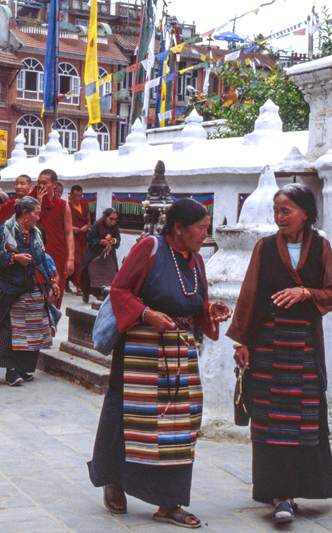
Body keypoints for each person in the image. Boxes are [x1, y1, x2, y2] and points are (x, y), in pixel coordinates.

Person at [87, 199, 232, 529]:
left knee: (179, 425)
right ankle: (114, 479)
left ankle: (169, 502)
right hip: (141, 351)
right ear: (178, 228)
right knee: (126, 416)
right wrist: (146, 314)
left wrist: (210, 311)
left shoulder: (195, 259)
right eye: (201, 228)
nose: (205, 235)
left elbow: (195, 302)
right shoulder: (150, 247)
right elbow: (120, 290)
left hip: (180, 355)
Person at [226, 184, 332, 524]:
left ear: (305, 213)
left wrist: (305, 292)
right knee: (270, 419)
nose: (280, 217)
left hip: (304, 345)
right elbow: (249, 294)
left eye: (286, 211)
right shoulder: (264, 248)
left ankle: (300, 487)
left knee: (304, 419)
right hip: (268, 344)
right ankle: (280, 495)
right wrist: (242, 341)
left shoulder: (321, 247)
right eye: (277, 211)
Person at [0, 196, 57, 386]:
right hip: (10, 290)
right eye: (36, 213)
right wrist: (13, 259)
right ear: (24, 214)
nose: (38, 218)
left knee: (31, 330)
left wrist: (51, 282)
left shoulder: (35, 233)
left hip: (32, 290)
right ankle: (11, 370)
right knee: (12, 331)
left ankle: (23, 368)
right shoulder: (5, 231)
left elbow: (41, 259)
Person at [33, 169, 74, 308]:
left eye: (44, 183)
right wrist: (37, 204)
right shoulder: (32, 204)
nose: (40, 186)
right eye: (39, 183)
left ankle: (52, 329)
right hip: (38, 254)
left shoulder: (63, 205)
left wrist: (71, 259)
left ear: (54, 184)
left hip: (57, 255)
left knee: (56, 294)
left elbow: (69, 233)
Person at [80, 208, 120, 303]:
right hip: (95, 253)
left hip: (108, 253)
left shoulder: (115, 227)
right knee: (93, 272)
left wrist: (112, 241)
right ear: (105, 217)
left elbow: (118, 239)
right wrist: (100, 242)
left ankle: (105, 293)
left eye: (115, 219)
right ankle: (89, 292)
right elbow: (89, 238)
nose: (113, 221)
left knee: (111, 272)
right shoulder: (97, 224)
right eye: (111, 219)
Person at [67, 185, 91, 295]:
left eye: (80, 195)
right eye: (76, 196)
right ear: (71, 195)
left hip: (83, 237)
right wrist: (72, 228)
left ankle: (72, 283)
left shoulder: (85, 205)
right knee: (76, 261)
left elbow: (89, 221)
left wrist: (87, 226)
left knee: (83, 261)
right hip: (73, 237)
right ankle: (79, 286)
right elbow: (64, 223)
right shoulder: (68, 206)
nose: (78, 198)